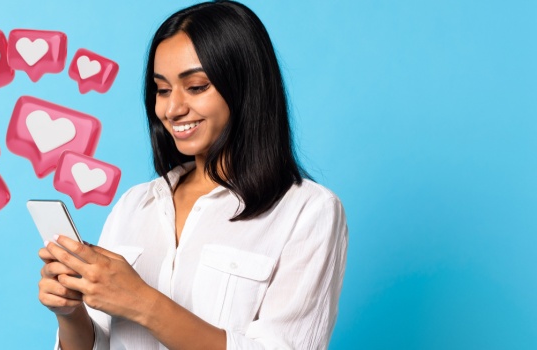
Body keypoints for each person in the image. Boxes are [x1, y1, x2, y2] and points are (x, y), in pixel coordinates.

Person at [38, 1, 348, 349]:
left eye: (197, 86)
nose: (172, 109)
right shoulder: (135, 204)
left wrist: (142, 302)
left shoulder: (308, 211)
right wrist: (70, 313)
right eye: (163, 89)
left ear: (245, 88)